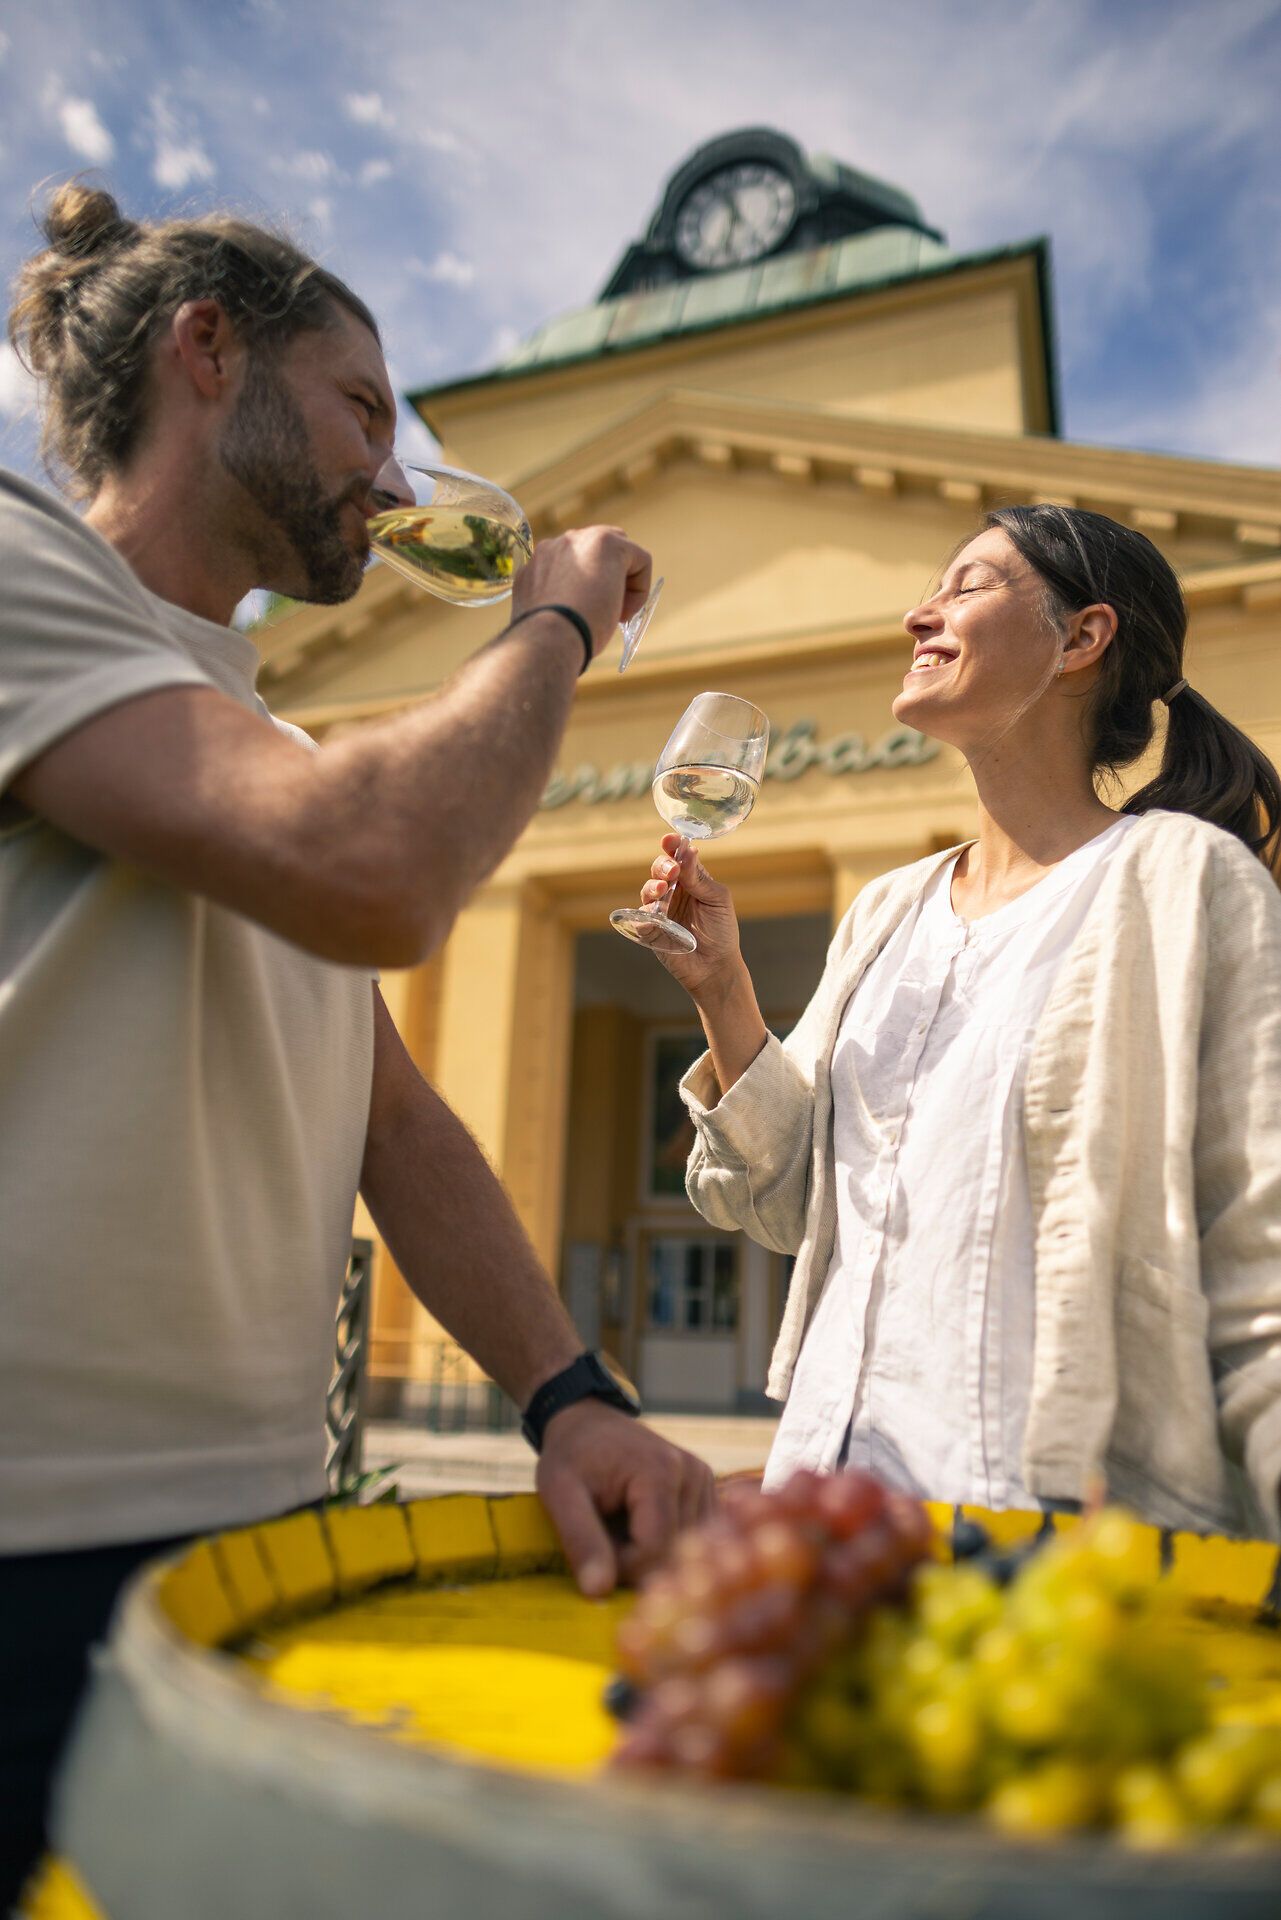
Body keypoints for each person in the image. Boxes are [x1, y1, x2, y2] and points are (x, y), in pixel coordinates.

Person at [0, 182, 713, 1903]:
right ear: (207, 349)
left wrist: (570, 1398)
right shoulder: (19, 570)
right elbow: (372, 870)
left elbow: (392, 1121)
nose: (392, 483)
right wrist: (549, 615)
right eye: (365, 412)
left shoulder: (255, 731)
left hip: (240, 1534)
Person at [634, 504, 1281, 1540]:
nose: (915, 615)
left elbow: (1262, 1263)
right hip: (828, 1528)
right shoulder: (890, 909)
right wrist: (722, 988)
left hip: (1043, 1549)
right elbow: (784, 1203)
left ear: (1082, 637)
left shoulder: (1185, 883)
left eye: (968, 586)